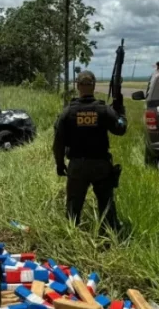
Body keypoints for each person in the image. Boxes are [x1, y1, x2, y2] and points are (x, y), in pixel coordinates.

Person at [52, 70, 127, 233]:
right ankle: (110, 237)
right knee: (106, 205)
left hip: (77, 165)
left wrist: (59, 164)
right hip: (101, 165)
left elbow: (58, 142)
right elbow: (121, 128)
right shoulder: (103, 110)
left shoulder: (68, 112)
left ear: (78, 86)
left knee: (73, 207)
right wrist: (120, 112)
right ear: (93, 86)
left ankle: (71, 237)